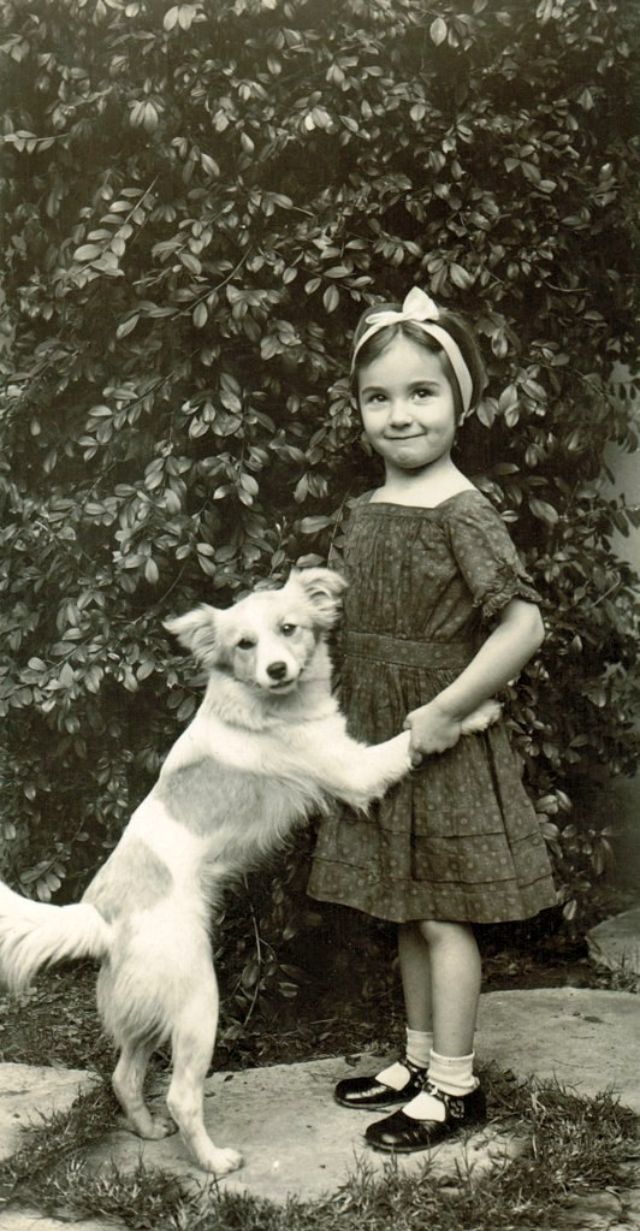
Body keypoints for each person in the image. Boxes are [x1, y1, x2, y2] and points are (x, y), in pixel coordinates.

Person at [307, 286, 557, 1154]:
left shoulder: (464, 511)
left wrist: (449, 708)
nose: (400, 414)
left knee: (445, 914)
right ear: (359, 410)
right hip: (381, 735)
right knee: (406, 907)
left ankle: (455, 1086)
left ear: (462, 402)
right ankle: (416, 1062)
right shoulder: (365, 509)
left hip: (441, 739)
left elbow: (523, 624)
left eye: (422, 392)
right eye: (379, 397)